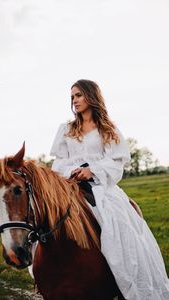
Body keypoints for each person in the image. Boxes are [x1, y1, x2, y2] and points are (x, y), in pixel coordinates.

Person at [50, 79, 169, 300]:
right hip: (68, 186)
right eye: (72, 97)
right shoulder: (66, 129)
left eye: (78, 95)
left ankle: (125, 277)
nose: (74, 100)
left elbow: (116, 163)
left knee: (122, 225)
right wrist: (73, 172)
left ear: (91, 96)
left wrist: (92, 170)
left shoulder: (108, 130)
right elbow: (58, 163)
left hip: (101, 188)